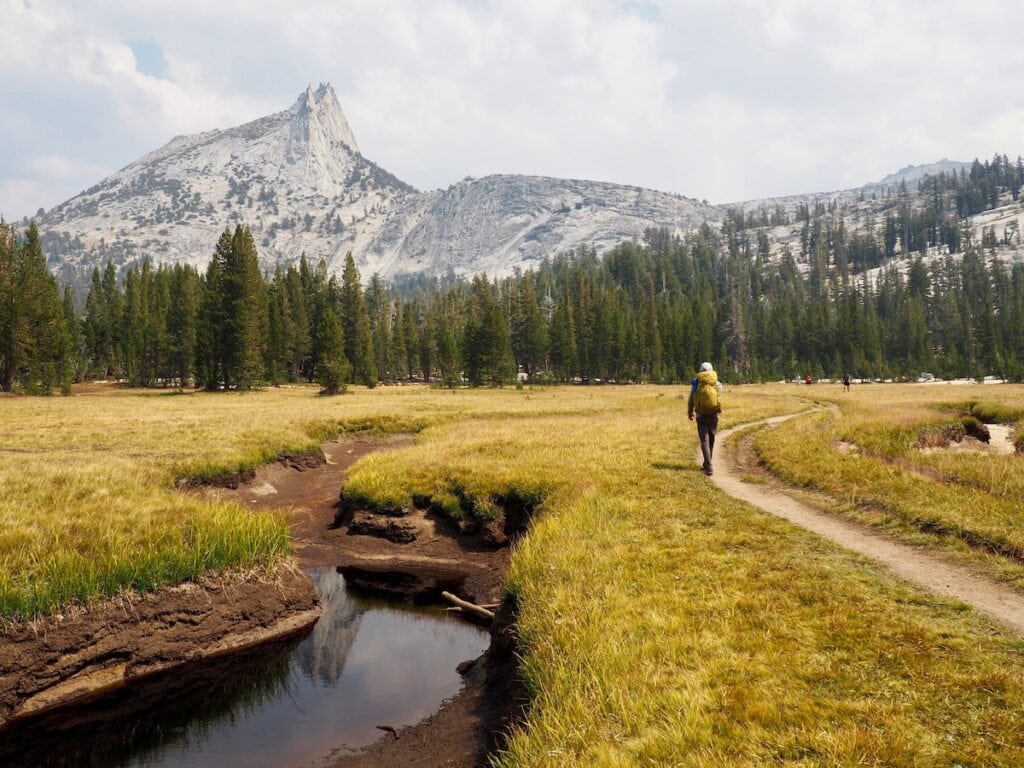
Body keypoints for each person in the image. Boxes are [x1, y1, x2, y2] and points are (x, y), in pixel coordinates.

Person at [688, 361, 723, 476]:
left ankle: (708, 465)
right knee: (711, 439)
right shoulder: (716, 383)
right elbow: (719, 397)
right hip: (713, 415)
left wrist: (690, 411)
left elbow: (691, 398)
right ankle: (708, 463)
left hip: (701, 415)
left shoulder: (696, 382)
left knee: (704, 441)